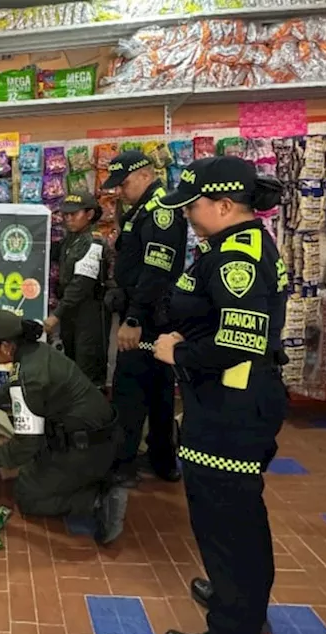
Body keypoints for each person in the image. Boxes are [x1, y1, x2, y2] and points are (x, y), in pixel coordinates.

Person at [147, 156, 288, 634]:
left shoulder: (240, 258)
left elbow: (239, 341)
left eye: (194, 206)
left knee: (229, 525)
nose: (187, 216)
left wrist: (176, 353)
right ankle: (240, 601)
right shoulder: (236, 245)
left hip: (233, 410)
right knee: (235, 520)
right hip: (229, 403)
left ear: (225, 205)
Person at [0, 310, 128, 545]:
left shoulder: (29, 374)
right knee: (31, 469)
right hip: (93, 436)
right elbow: (15, 387)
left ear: (6, 346)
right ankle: (91, 478)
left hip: (88, 448)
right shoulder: (34, 352)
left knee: (27, 496)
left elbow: (26, 445)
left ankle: (97, 500)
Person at [101, 148, 188, 486]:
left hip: (148, 315)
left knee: (131, 388)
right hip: (149, 311)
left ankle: (124, 466)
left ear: (145, 175)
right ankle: (162, 459)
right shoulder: (144, 209)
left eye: (123, 184)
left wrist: (133, 319)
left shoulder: (161, 212)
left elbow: (156, 270)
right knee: (158, 388)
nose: (119, 192)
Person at [44, 193, 109, 385]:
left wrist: (57, 314)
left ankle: (92, 413)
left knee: (87, 364)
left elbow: (81, 284)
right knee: (72, 361)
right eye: (65, 215)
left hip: (90, 312)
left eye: (74, 214)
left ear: (89, 214)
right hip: (73, 312)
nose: (68, 219)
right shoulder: (71, 239)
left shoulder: (94, 242)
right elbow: (49, 251)